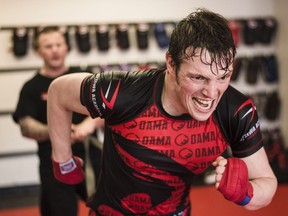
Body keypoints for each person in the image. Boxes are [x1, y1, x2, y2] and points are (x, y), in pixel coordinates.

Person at [47, 8, 277, 216]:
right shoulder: (123, 92)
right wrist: (63, 160)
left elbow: (267, 182)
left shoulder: (236, 112)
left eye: (224, 77)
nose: (212, 93)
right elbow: (58, 92)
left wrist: (245, 192)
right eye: (198, 77)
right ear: (171, 64)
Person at [12, 26, 104, 216]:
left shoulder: (85, 77)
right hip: (54, 162)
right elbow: (26, 125)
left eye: (58, 44)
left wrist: (88, 125)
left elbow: (106, 110)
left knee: (107, 209)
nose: (54, 49)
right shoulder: (31, 87)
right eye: (48, 46)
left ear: (66, 48)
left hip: (92, 156)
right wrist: (58, 131)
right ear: (39, 52)